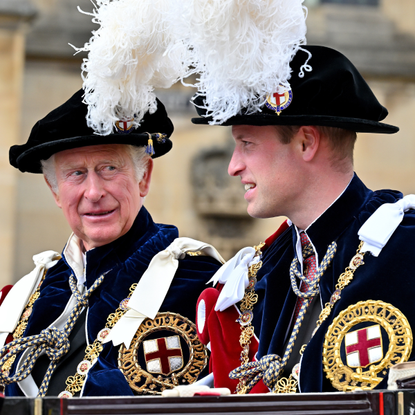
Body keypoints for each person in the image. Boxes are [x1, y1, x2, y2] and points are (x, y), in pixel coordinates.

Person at [192, 45, 415, 394]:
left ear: (306, 143)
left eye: (247, 144)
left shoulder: (402, 250)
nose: (233, 166)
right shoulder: (267, 269)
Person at [0, 89, 223, 397]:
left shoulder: (197, 280)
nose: (93, 192)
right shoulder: (26, 295)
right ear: (55, 191)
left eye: (109, 168)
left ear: (143, 177)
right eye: (76, 174)